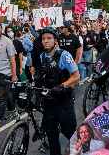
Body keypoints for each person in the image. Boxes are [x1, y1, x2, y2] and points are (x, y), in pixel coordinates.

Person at [35, 27, 80, 155]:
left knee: (71, 134)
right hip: (49, 102)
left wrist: (62, 86)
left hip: (64, 102)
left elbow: (76, 76)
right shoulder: (42, 56)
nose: (45, 41)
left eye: (49, 38)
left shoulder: (64, 55)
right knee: (51, 136)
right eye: (43, 39)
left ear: (55, 40)